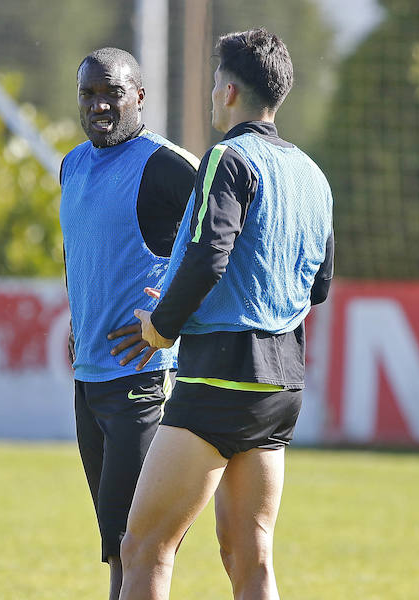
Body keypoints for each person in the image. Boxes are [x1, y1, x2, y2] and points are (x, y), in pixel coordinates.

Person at [119, 29, 334, 600]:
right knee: (250, 556)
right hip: (282, 382)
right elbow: (319, 285)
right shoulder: (313, 177)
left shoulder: (229, 157)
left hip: (219, 377)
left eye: (216, 82)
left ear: (231, 90)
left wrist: (159, 326)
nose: (213, 92)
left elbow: (208, 256)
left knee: (143, 548)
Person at [59, 47, 198, 600]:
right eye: (88, 94)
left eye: (112, 93)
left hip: (144, 380)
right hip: (90, 381)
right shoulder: (71, 163)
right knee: (117, 545)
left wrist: (170, 314)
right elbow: (81, 250)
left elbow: (224, 239)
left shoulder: (166, 163)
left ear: (139, 95)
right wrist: (79, 312)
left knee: (136, 547)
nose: (99, 105)